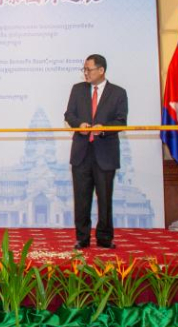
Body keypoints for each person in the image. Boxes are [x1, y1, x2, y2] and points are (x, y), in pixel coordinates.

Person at [64, 54, 128, 250]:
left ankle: (105, 237)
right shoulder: (78, 90)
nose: (85, 73)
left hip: (105, 152)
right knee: (81, 198)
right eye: (84, 70)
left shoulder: (118, 93)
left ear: (101, 70)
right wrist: (78, 124)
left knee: (105, 198)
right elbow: (69, 115)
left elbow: (121, 121)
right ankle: (82, 238)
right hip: (81, 152)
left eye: (88, 69)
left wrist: (104, 127)